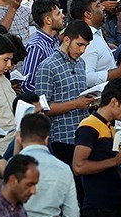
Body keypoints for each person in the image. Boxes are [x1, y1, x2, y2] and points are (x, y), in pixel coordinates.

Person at [72, 78, 121, 217]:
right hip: (100, 207)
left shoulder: (112, 128)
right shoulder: (89, 125)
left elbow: (116, 173)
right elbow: (78, 166)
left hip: (117, 202)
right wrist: (114, 161)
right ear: (113, 102)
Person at [34, 20, 95, 168]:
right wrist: (76, 104)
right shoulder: (47, 66)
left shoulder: (81, 63)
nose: (82, 50)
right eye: (79, 45)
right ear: (67, 40)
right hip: (62, 139)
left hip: (83, 134)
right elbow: (42, 108)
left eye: (86, 46)